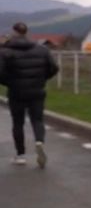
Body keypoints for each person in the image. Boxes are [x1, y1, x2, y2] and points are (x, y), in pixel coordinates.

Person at [0, 22, 59, 168]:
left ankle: (20, 155)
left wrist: (9, 82)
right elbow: (54, 68)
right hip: (37, 90)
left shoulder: (5, 51)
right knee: (38, 119)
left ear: (14, 32)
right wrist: (41, 79)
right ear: (26, 32)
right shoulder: (42, 49)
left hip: (16, 91)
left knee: (18, 122)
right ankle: (39, 141)